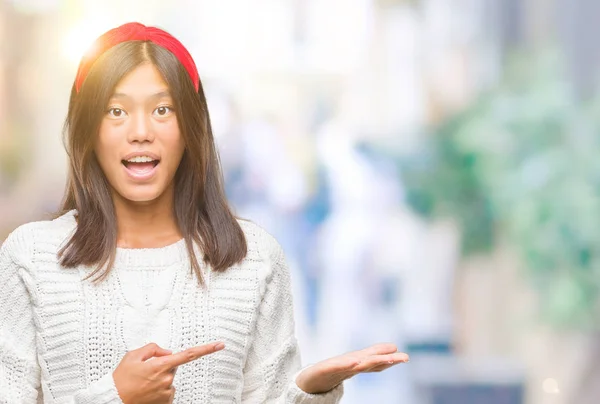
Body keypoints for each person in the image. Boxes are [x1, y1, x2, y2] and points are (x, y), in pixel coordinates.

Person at [0, 22, 409, 403]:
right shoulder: (31, 257)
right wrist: (116, 395)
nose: (140, 131)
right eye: (116, 111)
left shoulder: (255, 259)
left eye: (162, 110)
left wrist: (307, 390)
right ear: (88, 130)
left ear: (191, 129)